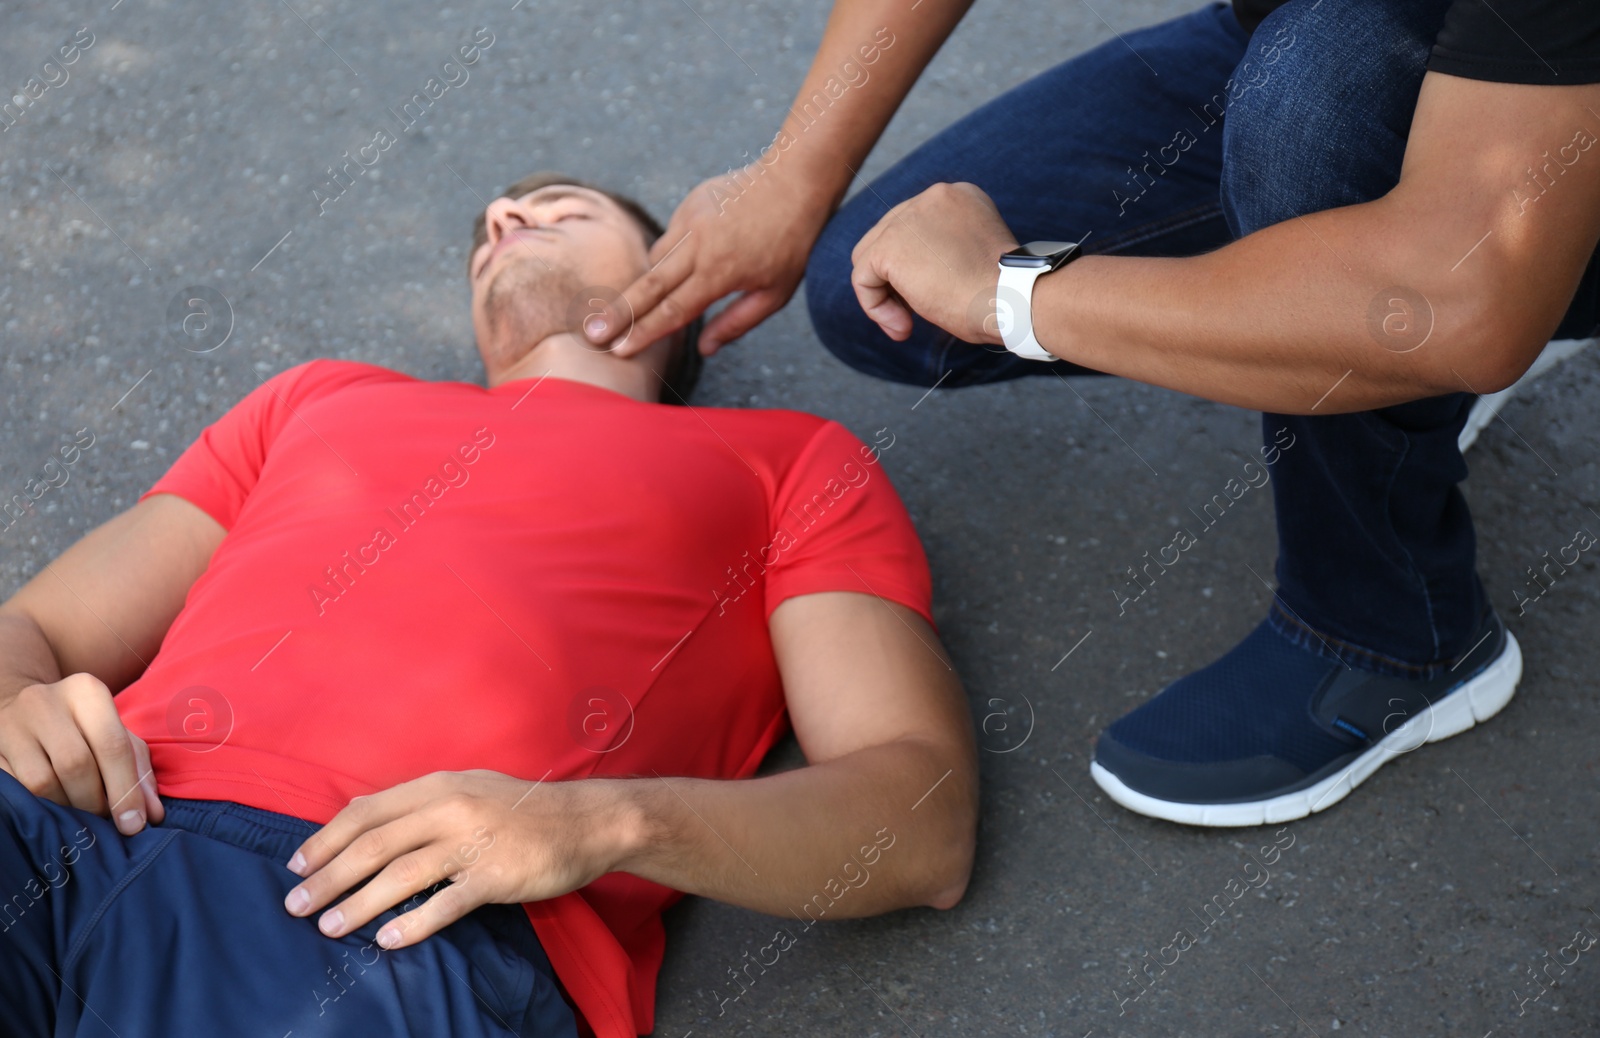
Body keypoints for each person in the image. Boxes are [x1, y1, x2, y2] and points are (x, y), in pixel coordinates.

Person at [0, 173, 978, 1038]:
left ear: (676, 283)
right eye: (492, 225)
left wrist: (599, 825)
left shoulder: (788, 460)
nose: (506, 213)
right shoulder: (318, 399)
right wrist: (15, 697)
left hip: (395, 916)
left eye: (564, 205)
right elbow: (33, 630)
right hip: (86, 818)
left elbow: (919, 819)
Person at [587, 0, 1600, 827]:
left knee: (1316, 96)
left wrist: (1015, 295)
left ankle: (1389, 632)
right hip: (1418, 57)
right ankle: (1419, 294)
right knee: (880, 292)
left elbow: (1463, 307)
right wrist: (794, 174)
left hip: (1466, 113)